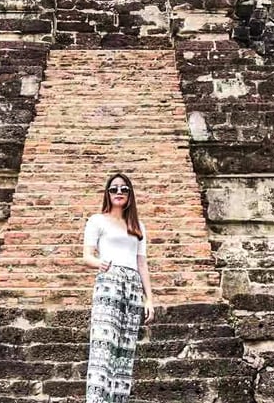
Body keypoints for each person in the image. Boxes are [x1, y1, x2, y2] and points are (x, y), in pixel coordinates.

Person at [82, 171, 154, 403]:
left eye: (124, 189)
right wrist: (100, 264)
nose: (119, 192)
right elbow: (87, 255)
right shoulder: (97, 220)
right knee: (104, 346)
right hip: (109, 282)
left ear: (130, 195)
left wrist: (149, 298)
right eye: (114, 188)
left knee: (125, 349)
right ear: (108, 193)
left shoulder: (137, 225)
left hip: (133, 285)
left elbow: (142, 263)